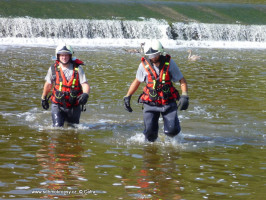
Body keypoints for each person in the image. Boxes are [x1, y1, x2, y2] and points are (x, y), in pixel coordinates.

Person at [123, 40, 189, 142]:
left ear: (160, 52)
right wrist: (127, 96)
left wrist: (184, 95)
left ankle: (175, 131)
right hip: (150, 104)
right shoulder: (143, 66)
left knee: (172, 131)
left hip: (168, 103)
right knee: (150, 136)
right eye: (150, 56)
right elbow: (137, 81)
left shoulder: (170, 63)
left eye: (155, 55)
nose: (153, 57)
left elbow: (182, 80)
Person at [41, 43, 90, 127]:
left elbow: (85, 84)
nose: (64, 57)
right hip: (58, 104)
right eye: (62, 55)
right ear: (58, 56)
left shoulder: (78, 68)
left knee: (73, 128)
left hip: (74, 105)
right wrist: (43, 98)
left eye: (66, 55)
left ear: (70, 56)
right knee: (57, 128)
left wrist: (85, 94)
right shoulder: (53, 68)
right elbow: (48, 84)